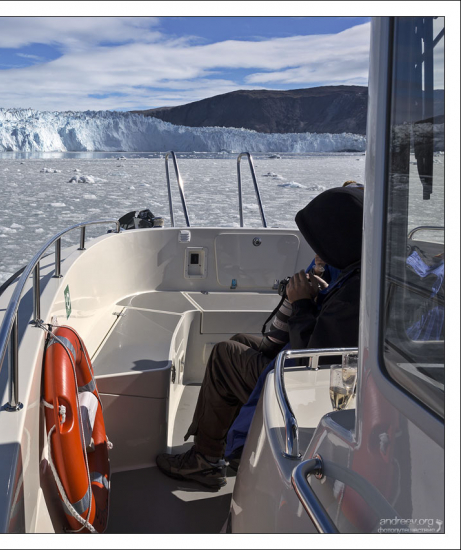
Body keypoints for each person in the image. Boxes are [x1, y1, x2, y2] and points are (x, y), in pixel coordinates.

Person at [156, 186, 365, 489]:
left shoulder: (354, 295)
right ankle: (219, 449)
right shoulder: (357, 273)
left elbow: (312, 361)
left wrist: (303, 302)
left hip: (309, 389)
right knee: (242, 339)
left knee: (226, 356)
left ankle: (205, 460)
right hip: (316, 369)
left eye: (322, 245)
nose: (317, 254)